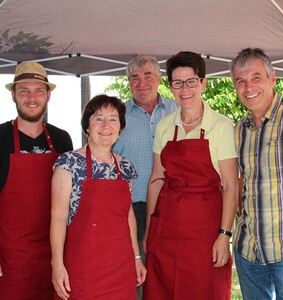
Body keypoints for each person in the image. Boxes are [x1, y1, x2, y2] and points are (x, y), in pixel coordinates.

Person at [143, 51, 238, 300]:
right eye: (177, 83)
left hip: (205, 231)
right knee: (163, 290)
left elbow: (230, 185)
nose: (184, 89)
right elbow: (156, 180)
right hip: (166, 228)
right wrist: (149, 230)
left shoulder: (221, 125)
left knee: (204, 291)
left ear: (203, 83)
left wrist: (223, 236)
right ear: (170, 86)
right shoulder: (164, 126)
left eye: (191, 81)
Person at [50, 94, 147, 300]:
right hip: (83, 266)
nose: (106, 125)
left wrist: (136, 257)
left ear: (120, 128)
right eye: (98, 118)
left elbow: (127, 213)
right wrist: (57, 264)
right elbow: (58, 216)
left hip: (120, 266)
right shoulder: (69, 163)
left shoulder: (126, 167)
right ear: (87, 126)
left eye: (113, 119)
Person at [230, 47, 283, 300]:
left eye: (256, 77)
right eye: (241, 81)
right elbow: (240, 181)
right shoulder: (239, 129)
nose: (249, 87)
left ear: (273, 79)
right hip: (248, 249)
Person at [0, 61, 73, 299]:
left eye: (38, 90)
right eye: (24, 91)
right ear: (13, 95)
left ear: (48, 95)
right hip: (11, 256)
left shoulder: (62, 140)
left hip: (54, 254)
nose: (32, 98)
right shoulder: (0, 137)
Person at [113, 55, 178, 255]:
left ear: (159, 79)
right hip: (130, 210)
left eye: (148, 75)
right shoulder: (116, 115)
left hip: (172, 206)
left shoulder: (177, 111)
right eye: (135, 77)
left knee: (168, 271)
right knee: (135, 272)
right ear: (128, 82)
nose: (141, 82)